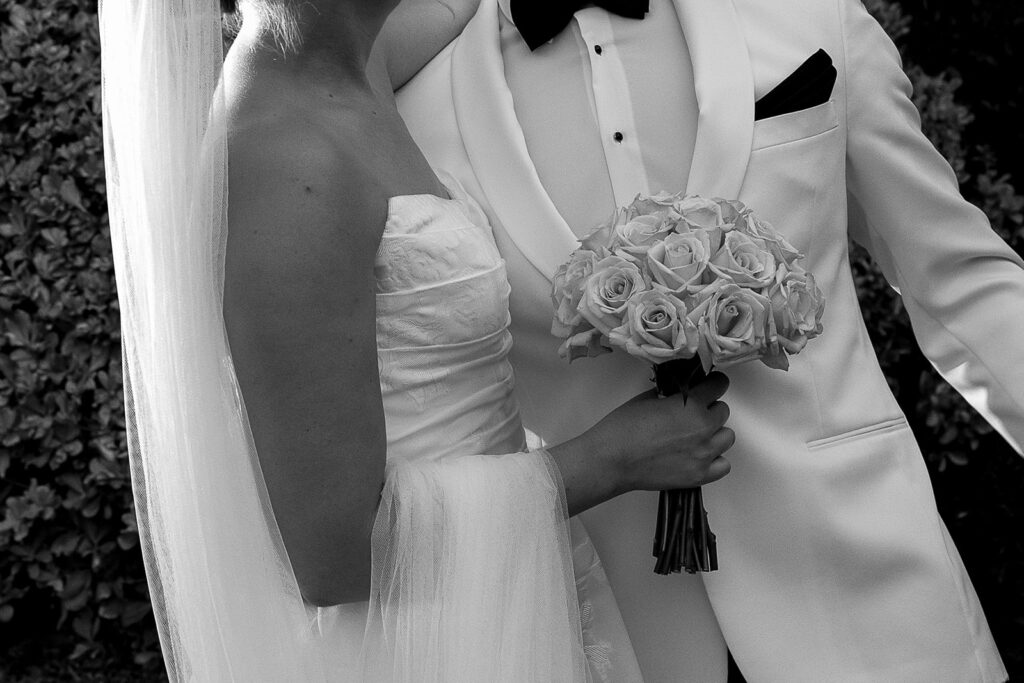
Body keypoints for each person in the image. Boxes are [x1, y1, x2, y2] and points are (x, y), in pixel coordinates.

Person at [99, 0, 736, 679]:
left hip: (512, 595)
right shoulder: (281, 155)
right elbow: (334, 554)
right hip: (422, 645)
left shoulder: (354, 51)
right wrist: (605, 461)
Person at [396, 0, 1024, 680]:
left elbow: (959, 280)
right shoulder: (415, 99)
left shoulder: (811, 14)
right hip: (608, 637)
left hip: (874, 601)